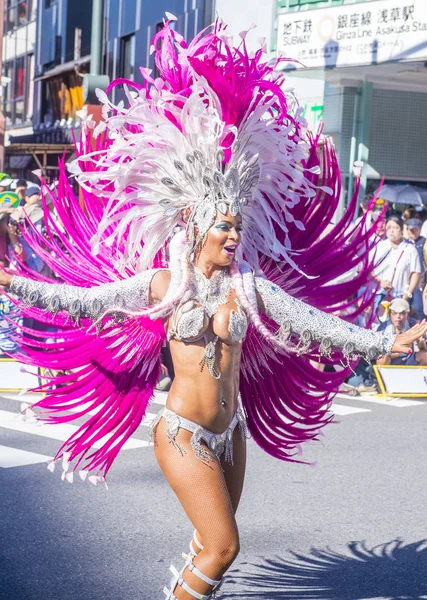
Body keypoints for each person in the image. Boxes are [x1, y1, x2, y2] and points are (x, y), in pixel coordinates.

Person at [1, 19, 427, 600]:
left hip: (233, 433)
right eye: (225, 225)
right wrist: (13, 282)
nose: (234, 234)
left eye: (238, 225)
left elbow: (316, 324)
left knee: (212, 553)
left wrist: (386, 344)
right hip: (182, 433)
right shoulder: (162, 285)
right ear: (196, 224)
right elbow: (80, 300)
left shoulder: (249, 287)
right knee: (224, 546)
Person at [373, 216, 422, 315]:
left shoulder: (410, 249)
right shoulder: (379, 246)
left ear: (402, 230)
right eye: (389, 227)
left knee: (397, 327)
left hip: (399, 296)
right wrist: (379, 282)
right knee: (375, 326)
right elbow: (368, 269)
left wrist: (408, 293)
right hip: (379, 294)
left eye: (395, 228)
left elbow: (416, 273)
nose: (392, 231)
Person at [377, 298, 427, 366]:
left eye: (402, 313)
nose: (398, 316)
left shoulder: (412, 323)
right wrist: (397, 352)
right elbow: (378, 353)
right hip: (391, 360)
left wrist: (422, 344)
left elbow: (420, 342)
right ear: (389, 313)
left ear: (407, 314)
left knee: (425, 356)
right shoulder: (382, 329)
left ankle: (415, 376)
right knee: (381, 359)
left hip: (408, 359)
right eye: (394, 313)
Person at [406, 218, 427, 319]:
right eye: (411, 229)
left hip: (420, 281)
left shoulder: (424, 242)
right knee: (404, 306)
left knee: (419, 308)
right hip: (406, 280)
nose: (413, 232)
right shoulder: (404, 243)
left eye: (416, 229)